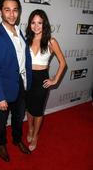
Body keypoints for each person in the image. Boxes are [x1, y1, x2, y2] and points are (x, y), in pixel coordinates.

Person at [0, 0, 32, 162]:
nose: (12, 14)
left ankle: (17, 140)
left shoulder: (20, 33)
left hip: (21, 84)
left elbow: (24, 61)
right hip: (3, 89)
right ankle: (1, 144)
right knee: (1, 120)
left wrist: (28, 83)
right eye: (7, 10)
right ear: (0, 12)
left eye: (15, 10)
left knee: (19, 117)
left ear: (18, 12)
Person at [25, 9, 67, 151]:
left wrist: (55, 79)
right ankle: (29, 129)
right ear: (30, 24)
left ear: (45, 24)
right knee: (29, 108)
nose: (36, 26)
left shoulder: (51, 41)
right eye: (33, 22)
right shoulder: (27, 39)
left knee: (38, 111)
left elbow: (63, 63)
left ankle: (35, 135)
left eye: (40, 23)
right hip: (28, 78)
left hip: (41, 78)